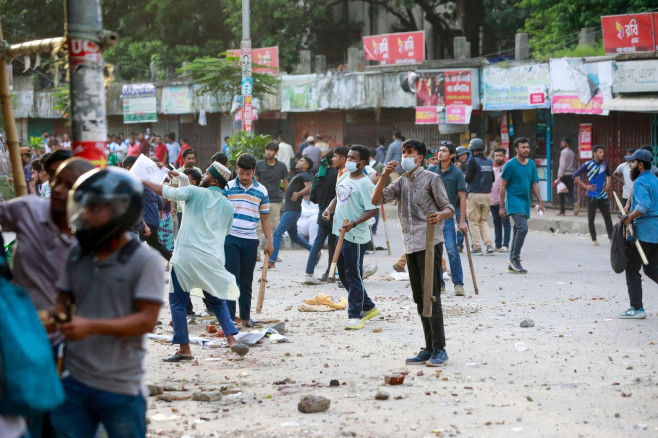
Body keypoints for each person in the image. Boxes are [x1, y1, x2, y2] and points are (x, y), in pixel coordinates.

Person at [48, 167, 164, 437]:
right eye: (84, 207)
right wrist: (57, 316)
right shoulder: (77, 253)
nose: (85, 215)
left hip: (121, 387)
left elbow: (146, 321)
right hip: (74, 381)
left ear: (121, 210)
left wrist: (91, 326)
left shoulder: (146, 261)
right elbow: (62, 300)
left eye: (94, 209)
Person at [0, 158, 95, 438]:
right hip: (22, 339)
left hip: (72, 344)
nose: (58, 189)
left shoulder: (95, 235)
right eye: (57, 181)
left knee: (66, 422)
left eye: (70, 185)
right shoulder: (28, 209)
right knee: (28, 414)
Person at [144, 162, 250, 361]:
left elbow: (167, 191)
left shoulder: (195, 193)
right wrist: (171, 172)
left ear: (214, 180)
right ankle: (232, 341)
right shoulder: (227, 205)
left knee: (177, 302)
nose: (202, 177)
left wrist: (142, 179)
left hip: (186, 257)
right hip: (212, 259)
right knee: (216, 300)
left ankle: (184, 349)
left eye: (206, 175)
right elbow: (225, 232)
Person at [373, 139, 453, 366]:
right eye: (403, 152)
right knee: (419, 298)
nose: (405, 156)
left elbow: (448, 208)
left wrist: (440, 216)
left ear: (420, 157)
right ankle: (428, 347)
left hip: (429, 243)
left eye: (410, 153)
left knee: (432, 296)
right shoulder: (400, 182)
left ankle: (440, 348)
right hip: (410, 244)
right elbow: (376, 199)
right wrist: (383, 176)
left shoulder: (432, 179)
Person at [322, 145, 379, 330]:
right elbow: (338, 196)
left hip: (355, 235)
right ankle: (368, 306)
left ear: (362, 162)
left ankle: (355, 315)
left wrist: (353, 223)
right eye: (348, 158)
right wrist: (329, 209)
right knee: (344, 277)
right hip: (339, 232)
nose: (349, 161)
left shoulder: (365, 183)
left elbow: (373, 210)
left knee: (353, 275)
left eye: (353, 158)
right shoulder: (345, 175)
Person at [224, 154, 273, 326]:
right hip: (230, 239)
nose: (244, 177)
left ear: (254, 172)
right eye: (241, 173)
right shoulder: (228, 187)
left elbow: (265, 218)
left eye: (248, 174)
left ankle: (245, 317)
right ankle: (229, 318)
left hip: (251, 240)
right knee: (231, 278)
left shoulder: (262, 191)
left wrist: (269, 241)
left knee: (246, 280)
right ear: (236, 170)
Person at [619, 149, 658, 319]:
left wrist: (628, 218)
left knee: (632, 267)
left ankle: (636, 308)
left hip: (644, 233)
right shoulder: (655, 180)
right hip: (655, 232)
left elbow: (643, 206)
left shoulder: (642, 182)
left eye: (632, 163)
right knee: (651, 269)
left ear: (640, 165)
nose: (630, 166)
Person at [499, 137, 544, 274]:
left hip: (525, 202)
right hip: (513, 201)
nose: (526, 149)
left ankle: (512, 263)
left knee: (518, 229)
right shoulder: (510, 165)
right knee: (523, 228)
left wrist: (540, 202)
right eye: (523, 147)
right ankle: (515, 259)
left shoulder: (531, 164)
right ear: (516, 149)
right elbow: (502, 186)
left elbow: (534, 183)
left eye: (527, 147)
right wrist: (502, 206)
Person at [429, 141, 467, 296]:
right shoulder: (431, 171)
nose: (440, 153)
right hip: (432, 217)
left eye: (444, 151)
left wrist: (463, 221)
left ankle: (458, 284)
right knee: (434, 252)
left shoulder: (457, 174)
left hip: (448, 217)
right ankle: (439, 284)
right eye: (439, 150)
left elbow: (462, 198)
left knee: (452, 250)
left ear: (452, 155)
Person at [268, 157, 314, 269]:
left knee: (277, 233)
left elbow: (309, 187)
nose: (298, 161)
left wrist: (298, 194)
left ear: (307, 166)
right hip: (290, 209)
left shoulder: (305, 174)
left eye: (302, 161)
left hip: (293, 210)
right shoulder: (298, 175)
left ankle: (271, 261)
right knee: (294, 236)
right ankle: (314, 251)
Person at [123, 156, 172, 261]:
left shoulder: (136, 184)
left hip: (146, 223)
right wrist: (159, 215)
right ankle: (174, 261)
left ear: (127, 168)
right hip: (154, 222)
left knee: (130, 248)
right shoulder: (147, 184)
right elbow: (160, 202)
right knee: (156, 246)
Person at [303, 148, 340, 284]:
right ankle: (330, 274)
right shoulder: (339, 175)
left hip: (322, 214)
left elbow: (312, 197)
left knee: (317, 244)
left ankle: (309, 272)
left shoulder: (319, 175)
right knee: (333, 244)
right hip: (336, 215)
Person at [573, 145, 613, 246]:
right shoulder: (587, 164)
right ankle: (594, 239)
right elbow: (575, 176)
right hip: (592, 196)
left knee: (608, 218)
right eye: (600, 152)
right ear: (594, 153)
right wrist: (586, 186)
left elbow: (609, 175)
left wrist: (608, 185)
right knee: (591, 218)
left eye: (603, 152)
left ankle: (611, 238)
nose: (602, 154)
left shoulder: (604, 164)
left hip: (603, 196)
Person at [256, 142, 289, 257]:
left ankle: (273, 255)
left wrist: (288, 198)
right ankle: (257, 254)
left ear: (275, 152)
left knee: (275, 228)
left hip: (275, 199)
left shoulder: (281, 166)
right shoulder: (259, 165)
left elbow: (286, 184)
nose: (268, 152)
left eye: (271, 150)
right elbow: (256, 182)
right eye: (267, 149)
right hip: (260, 200)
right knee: (258, 227)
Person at [464, 138, 495, 255]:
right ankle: (489, 245)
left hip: (474, 194)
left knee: (473, 221)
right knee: (483, 220)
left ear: (472, 149)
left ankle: (477, 247)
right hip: (487, 195)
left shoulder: (473, 162)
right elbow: (493, 179)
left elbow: (468, 179)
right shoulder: (489, 161)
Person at [490, 147, 511, 251]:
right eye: (496, 155)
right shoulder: (492, 169)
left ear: (504, 157)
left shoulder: (507, 168)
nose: (498, 157)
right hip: (492, 201)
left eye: (500, 155)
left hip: (504, 201)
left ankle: (505, 245)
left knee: (506, 223)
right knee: (496, 223)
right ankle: (497, 244)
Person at [454, 146, 470, 252]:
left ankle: (459, 244)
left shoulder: (469, 167)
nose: (464, 156)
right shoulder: (453, 167)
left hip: (464, 198)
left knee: (463, 220)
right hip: (453, 198)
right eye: (461, 155)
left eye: (465, 154)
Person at [556, 137, 576, 216]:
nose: (561, 144)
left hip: (564, 175)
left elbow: (562, 165)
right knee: (570, 192)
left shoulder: (563, 152)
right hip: (571, 174)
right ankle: (575, 204)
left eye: (563, 142)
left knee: (561, 193)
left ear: (567, 144)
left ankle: (562, 211)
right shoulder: (572, 152)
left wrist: (559, 177)